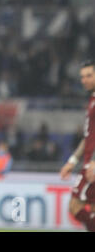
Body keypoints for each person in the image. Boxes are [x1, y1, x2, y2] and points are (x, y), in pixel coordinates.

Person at [60, 60, 95, 232]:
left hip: (92, 164)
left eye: (89, 75)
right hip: (88, 161)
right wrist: (73, 160)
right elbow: (88, 137)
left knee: (75, 206)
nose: (84, 80)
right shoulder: (92, 100)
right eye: (82, 77)